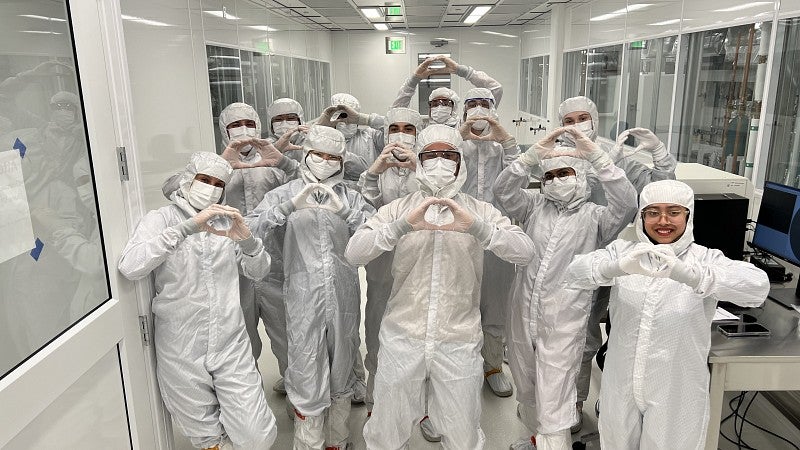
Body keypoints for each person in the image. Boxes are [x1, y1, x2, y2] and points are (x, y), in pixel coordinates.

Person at [345, 124, 535, 449]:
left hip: (458, 339)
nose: (439, 162)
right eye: (431, 155)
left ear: (460, 162)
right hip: (402, 336)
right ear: (419, 161)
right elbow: (354, 252)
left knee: (462, 434)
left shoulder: (480, 210)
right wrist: (401, 227)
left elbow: (524, 250)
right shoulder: (399, 208)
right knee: (386, 432)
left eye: (448, 155)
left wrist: (478, 228)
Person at [564, 180, 769, 449]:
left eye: (673, 212)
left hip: (676, 388)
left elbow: (758, 287)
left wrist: (692, 276)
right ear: (642, 217)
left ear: (688, 215)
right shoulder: (625, 252)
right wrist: (614, 268)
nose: (663, 221)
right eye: (653, 212)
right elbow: (573, 273)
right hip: (620, 383)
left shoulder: (704, 260)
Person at [118, 152, 277, 450]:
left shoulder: (227, 222)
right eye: (205, 179)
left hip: (230, 340)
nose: (211, 187)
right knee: (204, 431)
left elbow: (258, 271)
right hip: (181, 343)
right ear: (188, 179)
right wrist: (187, 228)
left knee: (257, 436)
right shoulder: (160, 219)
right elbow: (131, 265)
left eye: (218, 183)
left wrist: (247, 241)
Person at [494, 127, 638, 450]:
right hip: (522, 314)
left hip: (563, 323)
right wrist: (530, 157)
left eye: (565, 173)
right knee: (529, 390)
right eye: (551, 175)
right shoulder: (532, 206)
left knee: (555, 401)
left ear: (581, 175)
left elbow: (627, 202)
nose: (557, 180)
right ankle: (537, 439)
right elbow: (502, 190)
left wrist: (596, 157)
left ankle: (552, 443)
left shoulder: (596, 218)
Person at [246, 125, 375, 450]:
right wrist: (288, 207)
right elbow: (250, 231)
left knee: (343, 360)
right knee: (305, 365)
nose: (326, 161)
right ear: (305, 155)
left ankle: (338, 440)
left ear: (342, 161)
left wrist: (345, 212)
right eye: (319, 154)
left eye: (333, 156)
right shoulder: (282, 194)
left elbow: (374, 236)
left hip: (344, 295)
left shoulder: (353, 196)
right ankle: (309, 443)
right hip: (302, 297)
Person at [161, 102, 299, 397]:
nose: (244, 131)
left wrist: (283, 162)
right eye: (236, 125)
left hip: (275, 263)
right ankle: (249, 397)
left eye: (250, 123)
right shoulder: (213, 166)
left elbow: (306, 186)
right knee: (241, 337)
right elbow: (170, 187)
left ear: (260, 125)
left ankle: (295, 391)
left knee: (287, 333)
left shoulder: (273, 162)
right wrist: (223, 162)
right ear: (223, 130)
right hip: (232, 267)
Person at [559, 95, 678, 432]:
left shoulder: (621, 155)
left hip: (624, 263)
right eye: (569, 120)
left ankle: (616, 400)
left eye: (583, 117)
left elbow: (661, 189)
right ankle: (575, 404)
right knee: (580, 340)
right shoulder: (559, 154)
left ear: (595, 119)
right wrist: (598, 166)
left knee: (624, 336)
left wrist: (659, 153)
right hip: (579, 262)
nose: (577, 125)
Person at [356, 107, 420, 418]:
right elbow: (364, 210)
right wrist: (373, 173)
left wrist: (419, 166)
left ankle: (419, 407)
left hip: (421, 264)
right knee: (377, 331)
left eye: (409, 127)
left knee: (419, 337)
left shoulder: (432, 166)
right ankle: (375, 403)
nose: (400, 133)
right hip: (382, 266)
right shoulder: (376, 169)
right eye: (394, 127)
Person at [459, 88, 519, 399]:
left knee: (496, 303)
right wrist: (461, 137)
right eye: (473, 104)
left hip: (497, 235)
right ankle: (463, 367)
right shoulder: (454, 145)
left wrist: (504, 139)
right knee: (461, 303)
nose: (479, 110)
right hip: (460, 235)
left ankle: (493, 366)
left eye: (486, 104)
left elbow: (519, 177)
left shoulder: (503, 149)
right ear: (464, 110)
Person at [392, 55, 503, 127]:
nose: (440, 107)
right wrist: (414, 80)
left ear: (453, 107)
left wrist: (462, 71)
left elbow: (495, 89)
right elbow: (395, 114)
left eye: (445, 103)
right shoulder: (421, 128)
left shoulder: (465, 126)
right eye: (435, 103)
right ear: (429, 107)